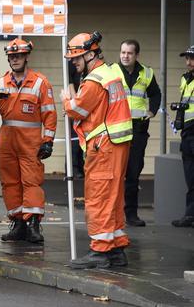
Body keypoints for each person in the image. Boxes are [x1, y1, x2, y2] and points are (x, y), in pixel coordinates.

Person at [0, 38, 57, 244]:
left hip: (30, 142)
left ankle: (33, 225)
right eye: (12, 57)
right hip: (7, 141)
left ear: (26, 56)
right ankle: (18, 223)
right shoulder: (0, 83)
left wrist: (48, 140)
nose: (15, 59)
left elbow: (50, 114)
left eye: (18, 56)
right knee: (9, 183)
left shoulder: (40, 82)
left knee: (31, 181)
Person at [61, 32, 133, 269]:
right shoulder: (112, 72)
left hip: (103, 146)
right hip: (116, 145)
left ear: (91, 54)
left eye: (77, 57)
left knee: (98, 197)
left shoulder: (94, 80)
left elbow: (77, 110)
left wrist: (65, 100)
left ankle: (101, 250)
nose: (74, 62)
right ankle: (116, 248)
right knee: (113, 197)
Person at [111, 40, 161, 227]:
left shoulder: (146, 73)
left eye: (129, 53)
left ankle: (131, 214)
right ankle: (113, 214)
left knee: (133, 172)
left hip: (139, 130)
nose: (125, 56)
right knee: (116, 173)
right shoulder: (112, 71)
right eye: (123, 52)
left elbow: (156, 94)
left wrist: (152, 111)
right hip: (117, 128)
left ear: (136, 55)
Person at [170, 45, 194, 228]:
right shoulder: (185, 79)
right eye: (187, 58)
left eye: (192, 58)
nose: (188, 62)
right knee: (190, 177)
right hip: (187, 131)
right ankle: (190, 215)